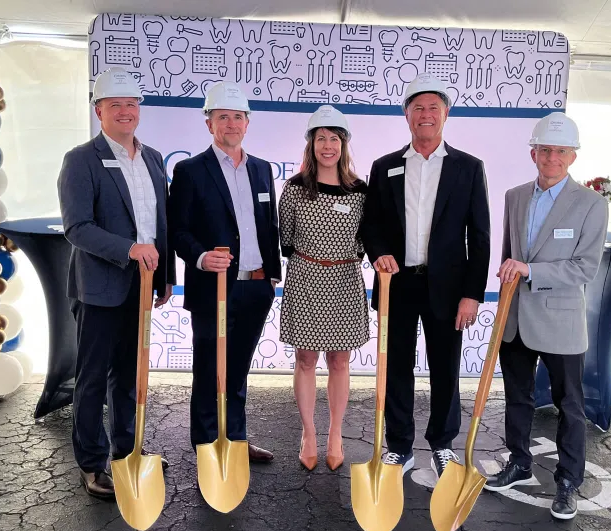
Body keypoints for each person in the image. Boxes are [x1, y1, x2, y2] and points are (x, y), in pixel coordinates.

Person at [360, 73, 491, 480]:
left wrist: (473, 294)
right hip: (397, 286)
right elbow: (372, 224)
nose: (426, 115)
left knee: (445, 367)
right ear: (406, 115)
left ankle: (442, 444)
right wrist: (379, 254)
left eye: (434, 107)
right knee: (395, 365)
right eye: (418, 108)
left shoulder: (468, 168)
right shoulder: (385, 166)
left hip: (448, 288)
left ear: (446, 114)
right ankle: (399, 446)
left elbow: (480, 236)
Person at [485, 112, 609, 521]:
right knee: (517, 399)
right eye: (544, 150)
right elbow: (510, 253)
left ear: (572, 156)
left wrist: (530, 270)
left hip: (560, 321)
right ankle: (518, 464)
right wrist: (511, 273)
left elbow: (585, 267)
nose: (551, 157)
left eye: (560, 151)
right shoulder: (515, 195)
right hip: (517, 316)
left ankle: (568, 482)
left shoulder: (591, 204)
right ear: (533, 153)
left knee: (569, 405)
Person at [57, 67, 174, 499]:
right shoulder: (81, 159)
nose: (125, 112)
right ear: (99, 111)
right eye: (116, 105)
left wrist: (165, 278)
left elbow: (160, 223)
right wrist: (128, 249)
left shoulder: (153, 158)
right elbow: (77, 227)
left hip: (142, 287)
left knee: (129, 375)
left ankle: (128, 452)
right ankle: (91, 463)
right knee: (92, 379)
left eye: (131, 105)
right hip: (100, 288)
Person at [167, 81, 279, 466]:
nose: (231, 124)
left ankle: (236, 438)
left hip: (257, 285)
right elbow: (177, 230)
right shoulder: (190, 171)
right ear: (209, 123)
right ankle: (206, 443)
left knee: (239, 368)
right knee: (209, 366)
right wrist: (200, 258)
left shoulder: (262, 170)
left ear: (247, 123)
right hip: (213, 287)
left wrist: (272, 276)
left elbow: (269, 224)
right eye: (222, 117)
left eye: (237, 117)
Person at [278, 105, 369, 471]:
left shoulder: (360, 190)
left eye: (334, 139)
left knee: (339, 360)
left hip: (345, 280)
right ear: (311, 145)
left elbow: (366, 239)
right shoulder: (296, 189)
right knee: (305, 359)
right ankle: (309, 434)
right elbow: (285, 238)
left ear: (344, 144)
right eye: (321, 139)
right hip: (305, 278)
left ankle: (334, 433)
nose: (327, 146)